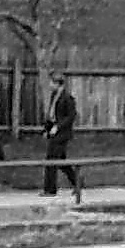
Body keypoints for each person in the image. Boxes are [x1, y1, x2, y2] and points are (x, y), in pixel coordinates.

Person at [41, 72, 81, 201]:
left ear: (58, 84)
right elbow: (52, 114)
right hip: (54, 132)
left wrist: (58, 127)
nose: (49, 85)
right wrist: (47, 129)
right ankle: (77, 182)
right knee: (61, 162)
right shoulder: (55, 96)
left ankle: (50, 190)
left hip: (62, 134)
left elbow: (71, 116)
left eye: (51, 82)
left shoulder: (67, 98)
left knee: (51, 160)